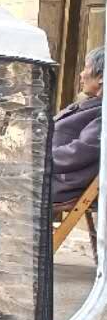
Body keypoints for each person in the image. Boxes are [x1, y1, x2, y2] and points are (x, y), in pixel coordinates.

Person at [53, 45, 104, 207]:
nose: (81, 74)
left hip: (60, 183)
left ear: (101, 77)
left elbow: (78, 152)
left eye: (86, 68)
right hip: (47, 173)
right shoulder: (91, 104)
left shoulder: (103, 114)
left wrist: (36, 159)